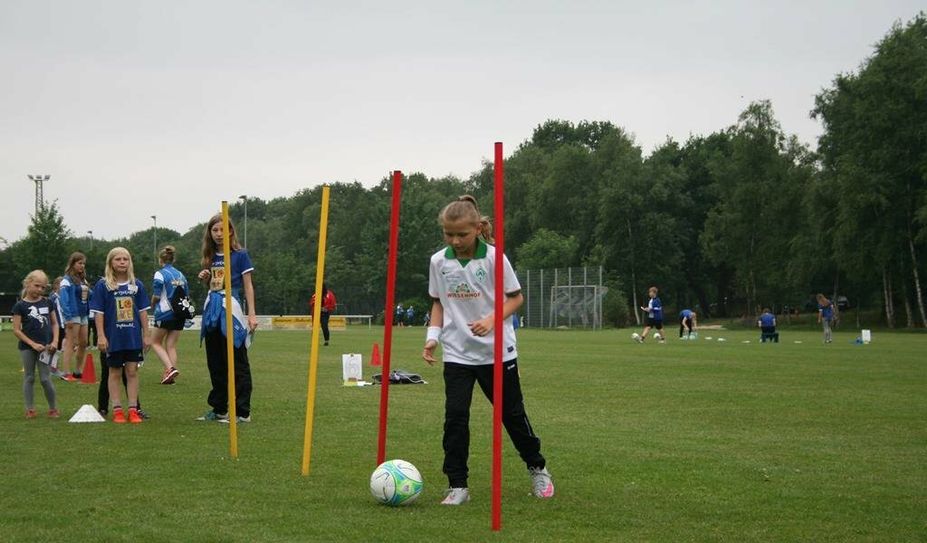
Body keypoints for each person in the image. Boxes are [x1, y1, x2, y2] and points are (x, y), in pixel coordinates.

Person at [422, 195, 554, 505]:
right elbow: (438, 302)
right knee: (455, 417)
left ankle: (537, 468)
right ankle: (457, 485)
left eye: (462, 234)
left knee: (512, 414)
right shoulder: (438, 262)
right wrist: (432, 337)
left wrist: (491, 319)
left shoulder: (495, 259)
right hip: (457, 353)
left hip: (497, 353)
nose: (455, 240)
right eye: (448, 234)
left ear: (478, 228)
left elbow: (516, 297)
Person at [197, 214, 257, 423]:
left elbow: (248, 285)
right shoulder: (210, 256)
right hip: (212, 308)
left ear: (230, 231)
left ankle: (242, 412)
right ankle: (219, 407)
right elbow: (215, 284)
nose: (219, 234)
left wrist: (251, 313)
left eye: (223, 230)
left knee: (237, 361)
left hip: (232, 308)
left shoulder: (240, 255)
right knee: (215, 362)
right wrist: (205, 278)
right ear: (210, 233)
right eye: (215, 230)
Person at [90, 248, 150, 424]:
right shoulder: (103, 285)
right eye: (118, 259)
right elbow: (99, 313)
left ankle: (132, 410)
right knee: (114, 372)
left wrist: (146, 334)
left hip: (132, 337)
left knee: (132, 371)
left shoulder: (137, 285)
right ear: (111, 263)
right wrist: (101, 336)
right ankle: (117, 410)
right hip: (113, 338)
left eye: (125, 259)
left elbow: (143, 312)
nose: (122, 262)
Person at [12, 270, 59, 419]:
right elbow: (16, 330)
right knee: (29, 377)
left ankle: (53, 408)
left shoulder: (48, 302)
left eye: (43, 287)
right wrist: (32, 344)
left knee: (45, 378)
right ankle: (30, 409)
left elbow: (54, 323)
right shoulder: (20, 306)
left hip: (46, 347)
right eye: (37, 285)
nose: (39, 290)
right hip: (27, 348)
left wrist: (55, 341)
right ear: (28, 284)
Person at [150, 245, 190, 384]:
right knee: (171, 345)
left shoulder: (160, 274)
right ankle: (170, 376)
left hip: (165, 313)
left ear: (161, 260)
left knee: (154, 342)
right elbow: (186, 294)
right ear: (173, 259)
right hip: (180, 314)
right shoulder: (181, 275)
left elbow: (156, 294)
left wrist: (152, 304)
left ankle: (170, 368)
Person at [58, 252, 91, 381]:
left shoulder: (83, 279)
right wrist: (68, 317)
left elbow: (90, 295)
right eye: (79, 263)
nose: (82, 266)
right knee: (71, 343)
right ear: (72, 263)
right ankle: (65, 372)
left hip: (84, 314)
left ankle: (78, 371)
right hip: (73, 314)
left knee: (83, 343)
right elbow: (63, 299)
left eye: (83, 263)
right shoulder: (66, 280)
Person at [48, 276, 66, 376]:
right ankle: (53, 369)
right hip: (57, 326)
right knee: (54, 348)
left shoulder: (60, 298)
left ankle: (52, 368)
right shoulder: (54, 298)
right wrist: (62, 326)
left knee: (57, 348)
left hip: (61, 326)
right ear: (56, 286)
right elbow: (57, 314)